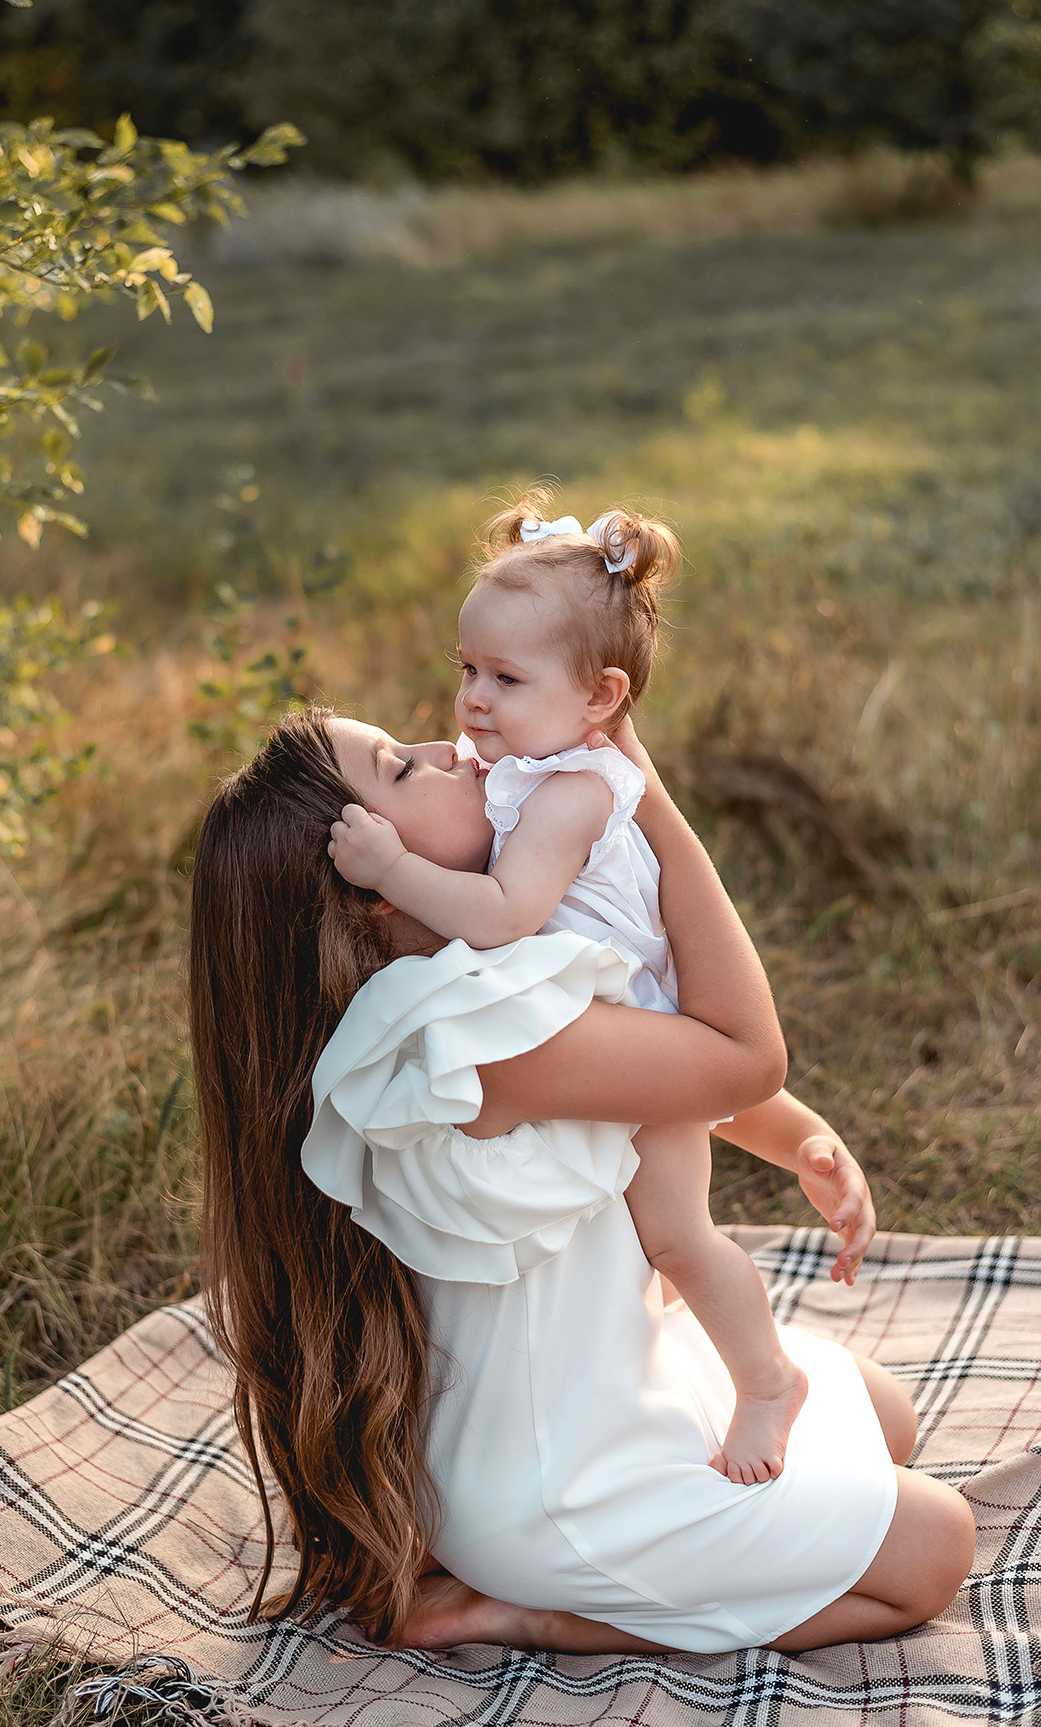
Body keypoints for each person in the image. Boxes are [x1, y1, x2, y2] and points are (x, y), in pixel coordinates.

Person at [189, 705, 975, 1655]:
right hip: (561, 1482)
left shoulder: (483, 976)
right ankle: (537, 1613)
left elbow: (649, 1068)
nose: (445, 749)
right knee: (936, 1546)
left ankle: (610, 1552)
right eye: (401, 768)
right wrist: (647, 798)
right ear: (370, 892)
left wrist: (802, 1137)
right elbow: (739, 1056)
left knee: (886, 1416)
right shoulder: (461, 1036)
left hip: (613, 1384)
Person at [327, 495, 805, 1485]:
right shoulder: (527, 775)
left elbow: (504, 914)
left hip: (636, 1020)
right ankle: (653, 1362)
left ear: (600, 698)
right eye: (465, 668)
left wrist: (392, 868)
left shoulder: (572, 792)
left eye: (505, 678)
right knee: (644, 1235)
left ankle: (765, 1379)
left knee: (675, 1235)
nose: (470, 703)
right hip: (618, 1027)